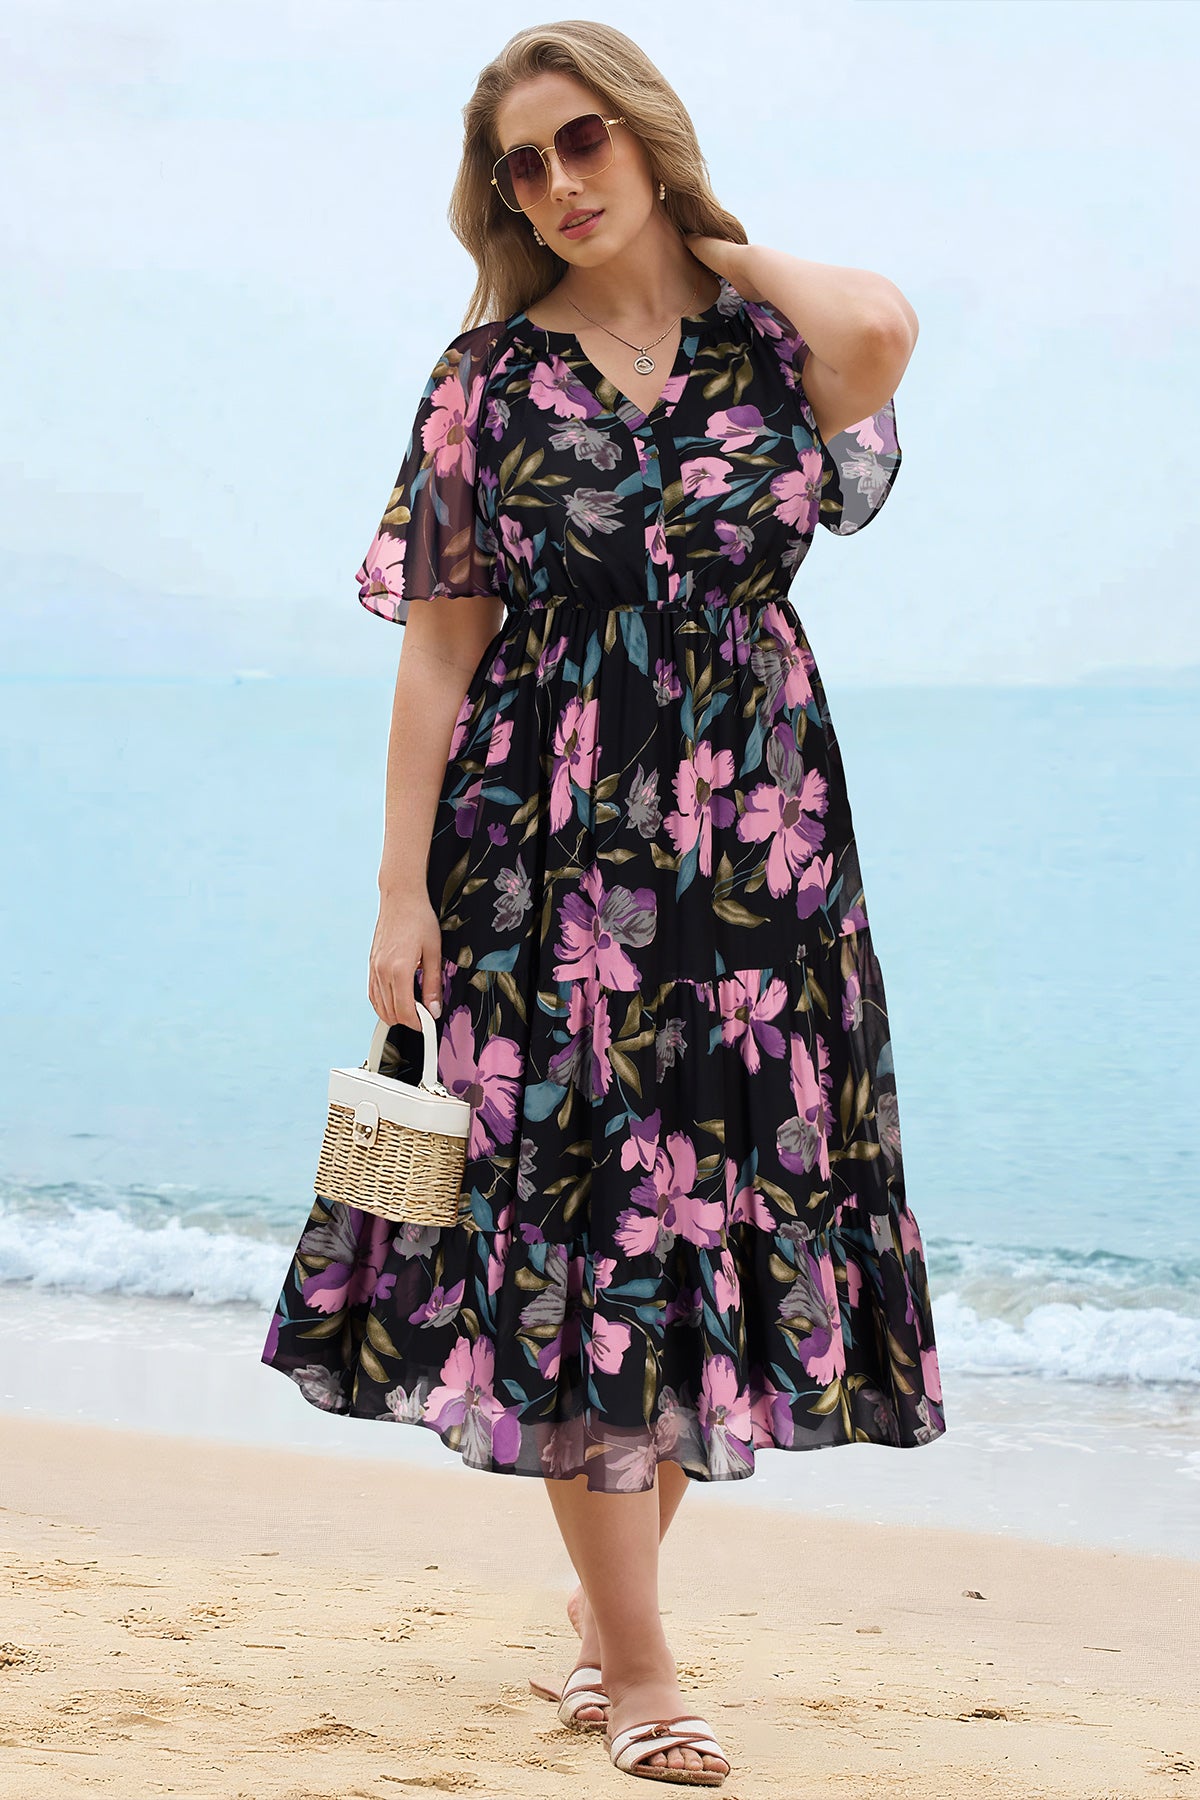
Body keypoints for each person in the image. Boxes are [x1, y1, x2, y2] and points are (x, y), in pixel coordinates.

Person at [260, 19, 947, 1787]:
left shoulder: (767, 346)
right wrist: (399, 891)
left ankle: (604, 1607)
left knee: (709, 1212)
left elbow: (883, 334)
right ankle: (639, 1670)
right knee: (578, 1231)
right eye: (523, 165)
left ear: (644, 137)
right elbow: (437, 652)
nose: (557, 184)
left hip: (759, 849)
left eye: (583, 143)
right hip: (543, 849)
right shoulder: (487, 381)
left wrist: (711, 239)